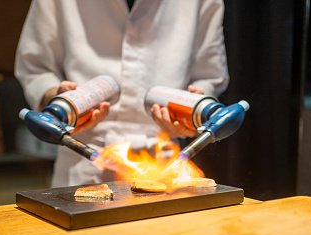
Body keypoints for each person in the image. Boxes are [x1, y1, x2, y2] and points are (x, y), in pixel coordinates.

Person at [15, 0, 229, 187]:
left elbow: (209, 75)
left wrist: (191, 115)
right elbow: (36, 68)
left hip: (163, 158)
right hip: (85, 156)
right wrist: (56, 96)